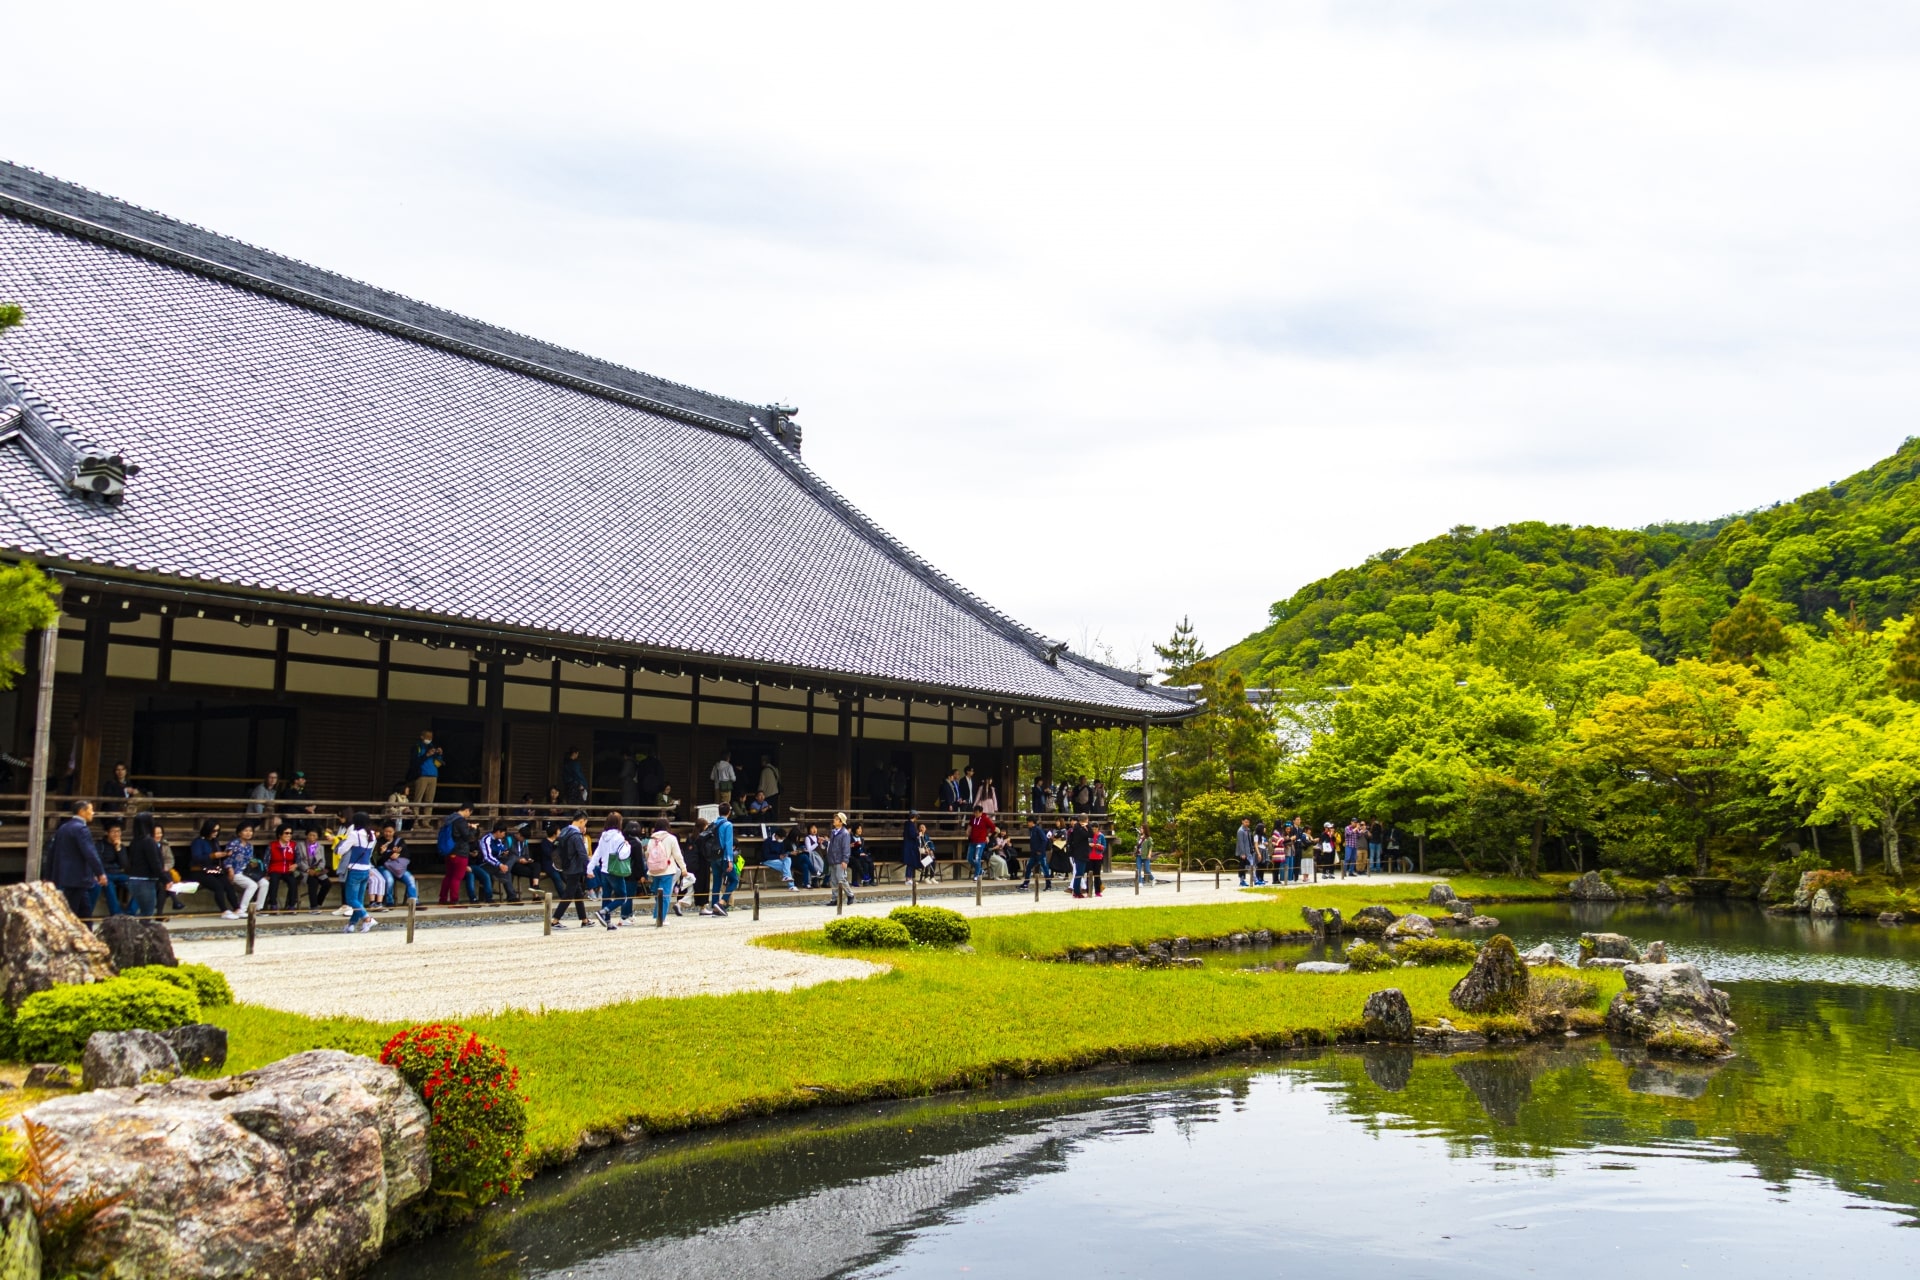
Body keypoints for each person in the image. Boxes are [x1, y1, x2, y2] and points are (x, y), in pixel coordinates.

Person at [51, 799, 105, 919]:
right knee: (72, 913)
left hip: (66, 876)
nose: (93, 813)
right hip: (77, 877)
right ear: (82, 811)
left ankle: (88, 933)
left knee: (85, 911)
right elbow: (90, 853)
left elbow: (53, 853)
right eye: (91, 810)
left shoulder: (63, 828)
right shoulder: (81, 829)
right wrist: (100, 873)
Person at [590, 813, 632, 929]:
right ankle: (603, 912)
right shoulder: (619, 837)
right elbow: (622, 855)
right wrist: (628, 846)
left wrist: (590, 868)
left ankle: (607, 922)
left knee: (606, 896)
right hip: (615, 870)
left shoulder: (603, 837)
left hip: (604, 870)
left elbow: (597, 853)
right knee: (622, 897)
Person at [336, 812, 377, 933]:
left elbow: (341, 850)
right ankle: (351, 925)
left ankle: (367, 919)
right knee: (358, 900)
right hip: (366, 869)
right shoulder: (372, 835)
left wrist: (340, 843)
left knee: (351, 900)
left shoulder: (355, 834)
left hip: (354, 870)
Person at [550, 810, 591, 928]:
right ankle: (555, 920)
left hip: (564, 865)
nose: (584, 826)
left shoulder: (564, 831)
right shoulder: (576, 835)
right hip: (574, 867)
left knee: (578, 893)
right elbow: (582, 854)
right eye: (585, 823)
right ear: (581, 821)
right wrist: (589, 868)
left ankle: (584, 920)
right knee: (568, 895)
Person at [642, 818, 687, 924]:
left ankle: (657, 915)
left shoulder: (652, 839)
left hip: (654, 871)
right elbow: (677, 855)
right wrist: (683, 868)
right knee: (666, 894)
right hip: (667, 870)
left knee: (658, 895)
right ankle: (661, 918)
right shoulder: (671, 838)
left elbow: (647, 854)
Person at [191, 819, 237, 915]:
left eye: (217, 831)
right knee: (218, 886)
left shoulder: (215, 841)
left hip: (214, 869)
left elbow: (218, 859)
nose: (215, 833)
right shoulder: (198, 841)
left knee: (228, 884)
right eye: (213, 831)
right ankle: (224, 910)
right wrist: (213, 856)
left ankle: (237, 908)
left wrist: (225, 855)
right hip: (200, 871)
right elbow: (196, 858)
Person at [222, 823, 269, 918]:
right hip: (236, 872)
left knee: (264, 883)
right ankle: (242, 909)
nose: (248, 833)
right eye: (246, 831)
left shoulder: (250, 846)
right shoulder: (233, 844)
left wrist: (258, 870)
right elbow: (227, 858)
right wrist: (230, 869)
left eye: (250, 831)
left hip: (248, 872)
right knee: (252, 885)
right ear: (239, 833)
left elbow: (251, 861)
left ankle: (258, 909)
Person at [437, 803, 476, 905]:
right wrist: (473, 829)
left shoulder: (449, 819)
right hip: (460, 852)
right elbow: (467, 837)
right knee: (457, 877)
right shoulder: (461, 820)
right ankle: (454, 900)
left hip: (449, 851)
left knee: (449, 875)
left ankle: (443, 899)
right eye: (469, 813)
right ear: (467, 810)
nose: (469, 815)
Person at [93, 819, 129, 917]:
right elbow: (98, 862)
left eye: (118, 832)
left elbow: (124, 865)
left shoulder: (122, 846)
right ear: (107, 833)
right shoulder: (100, 845)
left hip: (120, 874)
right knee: (108, 885)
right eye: (113, 832)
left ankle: (130, 913)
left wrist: (118, 849)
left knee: (138, 884)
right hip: (106, 874)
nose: (116, 834)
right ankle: (116, 914)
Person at [378, 823, 418, 907]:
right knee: (389, 880)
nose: (388, 834)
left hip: (398, 868)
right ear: (383, 831)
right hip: (384, 867)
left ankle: (414, 901)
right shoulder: (379, 841)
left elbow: (406, 854)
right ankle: (389, 901)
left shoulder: (399, 841)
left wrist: (398, 854)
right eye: (386, 831)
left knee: (411, 879)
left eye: (390, 831)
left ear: (394, 831)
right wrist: (389, 854)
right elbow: (379, 858)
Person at [708, 803, 737, 916]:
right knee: (734, 880)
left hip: (714, 856)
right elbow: (728, 843)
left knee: (716, 881)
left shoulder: (714, 823)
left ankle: (715, 906)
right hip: (724, 857)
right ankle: (722, 902)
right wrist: (730, 860)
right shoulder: (728, 824)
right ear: (729, 812)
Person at [265, 823, 300, 911]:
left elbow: (299, 858)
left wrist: (296, 865)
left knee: (293, 882)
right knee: (273, 882)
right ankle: (273, 904)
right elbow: (266, 860)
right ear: (280, 834)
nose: (289, 835)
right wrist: (266, 873)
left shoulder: (293, 845)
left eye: (290, 833)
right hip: (275, 869)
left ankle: (291, 905)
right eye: (286, 833)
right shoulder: (272, 845)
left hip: (288, 870)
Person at [296, 826, 332, 912]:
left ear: (318, 836)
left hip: (317, 871)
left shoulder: (320, 847)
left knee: (327, 884)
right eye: (310, 835)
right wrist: (308, 870)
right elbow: (299, 860)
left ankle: (318, 903)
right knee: (313, 881)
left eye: (314, 836)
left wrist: (317, 870)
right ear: (306, 835)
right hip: (305, 871)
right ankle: (313, 907)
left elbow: (323, 861)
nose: (312, 838)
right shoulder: (300, 846)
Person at [410, 730, 444, 810]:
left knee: (429, 800)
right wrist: (427, 755)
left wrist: (439, 754)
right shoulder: (417, 747)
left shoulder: (432, 747)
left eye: (431, 737)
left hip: (433, 775)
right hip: (422, 775)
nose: (429, 739)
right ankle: (415, 820)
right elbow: (414, 761)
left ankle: (426, 821)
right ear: (422, 737)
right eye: (427, 737)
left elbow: (438, 762)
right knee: (418, 799)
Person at [825, 811, 855, 904]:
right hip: (832, 859)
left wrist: (845, 860)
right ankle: (834, 899)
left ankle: (850, 894)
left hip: (840, 859)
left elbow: (846, 848)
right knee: (833, 880)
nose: (834, 820)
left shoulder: (845, 833)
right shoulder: (833, 832)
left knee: (841, 878)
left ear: (841, 822)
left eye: (836, 819)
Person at [1021, 817, 1053, 891]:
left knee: (1044, 868)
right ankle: (1026, 883)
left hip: (1040, 853)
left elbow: (1044, 840)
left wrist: (1040, 850)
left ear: (1032, 822)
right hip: (1034, 853)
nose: (1027, 823)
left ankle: (1048, 885)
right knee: (1029, 867)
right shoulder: (1032, 830)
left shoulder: (1038, 829)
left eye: (1028, 822)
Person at [1066, 816, 1092, 897]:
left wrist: (1086, 826)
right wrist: (1087, 826)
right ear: (1085, 820)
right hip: (1080, 853)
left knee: (1080, 873)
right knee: (1079, 873)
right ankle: (1076, 892)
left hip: (1081, 853)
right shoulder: (1078, 829)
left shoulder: (1077, 828)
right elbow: (1090, 834)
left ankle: (1077, 890)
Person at [966, 805, 994, 878]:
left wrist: (988, 836)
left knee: (977, 857)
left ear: (981, 812)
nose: (976, 814)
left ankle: (977, 875)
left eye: (977, 813)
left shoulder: (985, 819)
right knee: (969, 858)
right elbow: (970, 826)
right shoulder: (973, 818)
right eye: (975, 813)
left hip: (981, 841)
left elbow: (993, 827)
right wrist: (968, 831)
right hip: (972, 841)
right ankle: (980, 870)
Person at [901, 810, 922, 883]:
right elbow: (912, 835)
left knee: (911, 862)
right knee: (910, 862)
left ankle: (909, 878)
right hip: (910, 846)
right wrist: (918, 835)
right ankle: (908, 878)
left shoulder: (908, 824)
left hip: (909, 845)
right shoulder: (910, 824)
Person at [1235, 817, 1256, 887]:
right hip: (1244, 852)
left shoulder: (1248, 830)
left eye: (1248, 822)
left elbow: (1249, 841)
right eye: (1246, 822)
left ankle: (1254, 879)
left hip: (1249, 851)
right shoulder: (1240, 831)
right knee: (1243, 866)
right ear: (1242, 822)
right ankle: (1242, 881)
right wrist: (1242, 853)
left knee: (1251, 865)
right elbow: (1240, 843)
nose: (1247, 823)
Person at [1087, 824, 1107, 897]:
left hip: (1098, 857)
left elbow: (1104, 847)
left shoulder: (1101, 836)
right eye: (1093, 829)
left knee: (1097, 875)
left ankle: (1097, 891)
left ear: (1098, 828)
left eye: (1095, 829)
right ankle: (1088, 891)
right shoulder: (1088, 835)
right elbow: (1084, 845)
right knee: (1089, 875)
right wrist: (1089, 844)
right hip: (1089, 857)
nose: (1094, 830)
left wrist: (1099, 846)